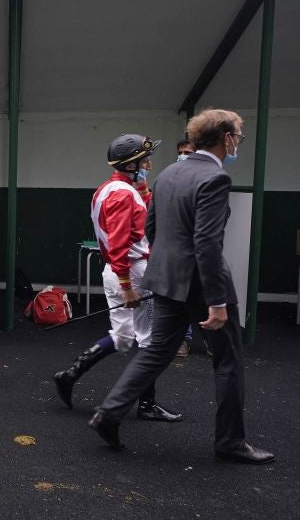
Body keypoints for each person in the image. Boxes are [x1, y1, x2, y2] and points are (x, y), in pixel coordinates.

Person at [89, 110, 274, 465]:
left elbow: (152, 229)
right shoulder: (215, 179)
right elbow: (207, 242)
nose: (238, 143)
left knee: (156, 351)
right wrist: (217, 301)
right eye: (239, 136)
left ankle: (108, 413)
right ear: (227, 139)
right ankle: (231, 442)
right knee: (229, 363)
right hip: (205, 286)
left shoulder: (169, 174)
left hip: (166, 279)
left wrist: (164, 269)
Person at [53, 134, 182, 423]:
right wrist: (127, 286)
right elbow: (120, 241)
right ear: (131, 163)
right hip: (132, 271)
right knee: (150, 340)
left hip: (115, 270)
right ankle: (147, 405)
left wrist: (144, 191)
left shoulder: (110, 189)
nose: (149, 163)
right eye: (143, 159)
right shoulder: (124, 195)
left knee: (124, 337)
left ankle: (70, 375)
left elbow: (140, 222)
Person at [175, 137, 198, 358]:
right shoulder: (171, 178)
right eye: (181, 152)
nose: (183, 156)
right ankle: (183, 338)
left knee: (205, 298)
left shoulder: (206, 179)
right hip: (177, 250)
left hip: (201, 249)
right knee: (180, 298)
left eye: (188, 152)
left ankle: (213, 340)